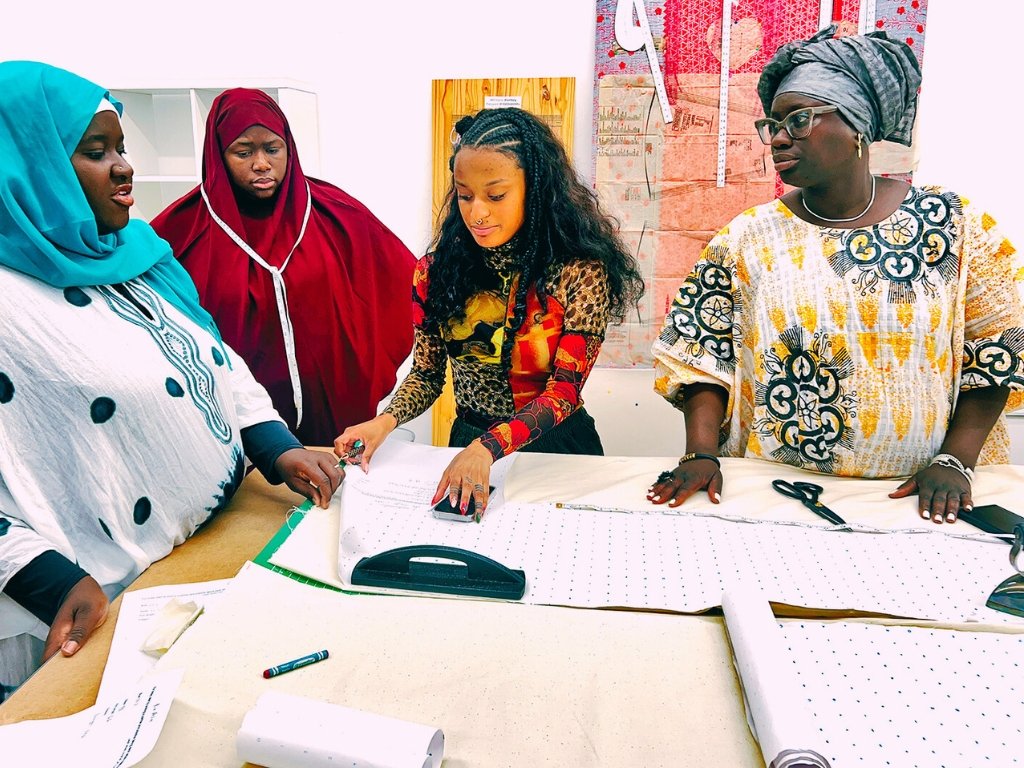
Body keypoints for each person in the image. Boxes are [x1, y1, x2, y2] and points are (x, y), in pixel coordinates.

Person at [0, 62, 345, 696]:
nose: (124, 167)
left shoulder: (136, 256)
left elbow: (213, 358)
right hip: (92, 601)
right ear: (26, 164)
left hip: (212, 542)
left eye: (121, 147)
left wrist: (275, 446)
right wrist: (46, 580)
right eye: (94, 152)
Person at [647, 27, 1024, 523]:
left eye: (799, 120)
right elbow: (701, 352)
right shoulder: (749, 237)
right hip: (775, 494)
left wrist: (955, 461)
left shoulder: (953, 225)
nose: (778, 137)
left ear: (857, 127)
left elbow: (999, 349)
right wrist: (701, 453)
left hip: (918, 497)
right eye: (773, 124)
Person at [335, 108, 644, 519]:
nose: (477, 212)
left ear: (534, 190)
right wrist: (384, 422)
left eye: (495, 195)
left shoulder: (580, 271)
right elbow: (427, 375)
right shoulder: (436, 271)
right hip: (468, 442)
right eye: (465, 195)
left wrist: (488, 447)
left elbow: (564, 391)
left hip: (555, 450)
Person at [151, 89, 415, 447]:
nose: (261, 163)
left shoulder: (334, 212)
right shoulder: (180, 232)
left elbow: (407, 280)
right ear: (218, 154)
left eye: (272, 149)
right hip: (238, 430)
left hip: (333, 421)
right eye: (243, 152)